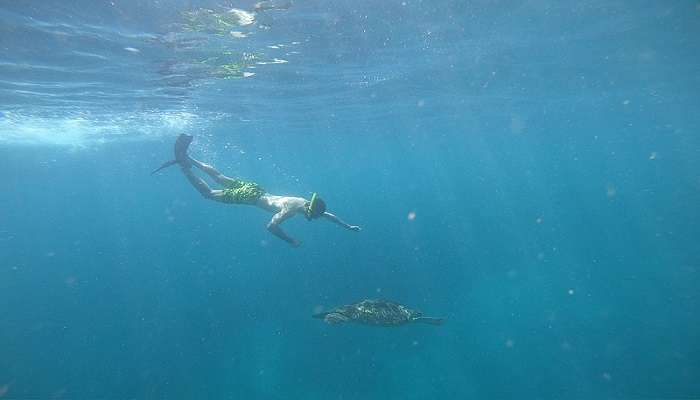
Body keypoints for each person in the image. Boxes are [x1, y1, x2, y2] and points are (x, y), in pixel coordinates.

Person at [153, 134, 361, 247]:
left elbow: (328, 215)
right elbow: (270, 226)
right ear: (310, 210)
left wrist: (347, 226)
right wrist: (290, 240)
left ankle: (189, 157)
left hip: (254, 188)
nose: (313, 218)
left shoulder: (304, 202)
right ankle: (184, 166)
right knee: (207, 194)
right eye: (313, 216)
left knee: (219, 176)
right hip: (250, 196)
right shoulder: (290, 209)